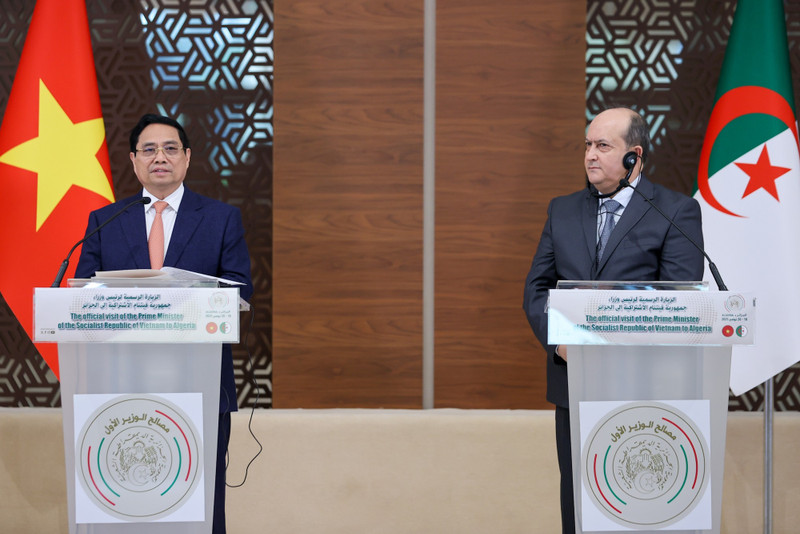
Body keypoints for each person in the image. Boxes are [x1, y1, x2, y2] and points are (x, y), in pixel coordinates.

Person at [522, 107, 704, 534]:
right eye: (587, 145)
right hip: (575, 384)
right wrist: (560, 342)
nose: (590, 155)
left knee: (642, 507)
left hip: (646, 390)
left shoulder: (675, 211)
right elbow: (537, 289)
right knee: (580, 504)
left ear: (633, 157)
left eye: (603, 146)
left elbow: (678, 303)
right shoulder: (563, 211)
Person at [75, 113, 253, 534]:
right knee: (122, 499)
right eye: (149, 149)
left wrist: (179, 305)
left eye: (171, 148)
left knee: (200, 502)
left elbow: (239, 292)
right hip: (118, 385)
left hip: (200, 383)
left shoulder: (220, 218)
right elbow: (82, 295)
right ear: (134, 161)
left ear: (187, 158)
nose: (160, 157)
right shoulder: (105, 220)